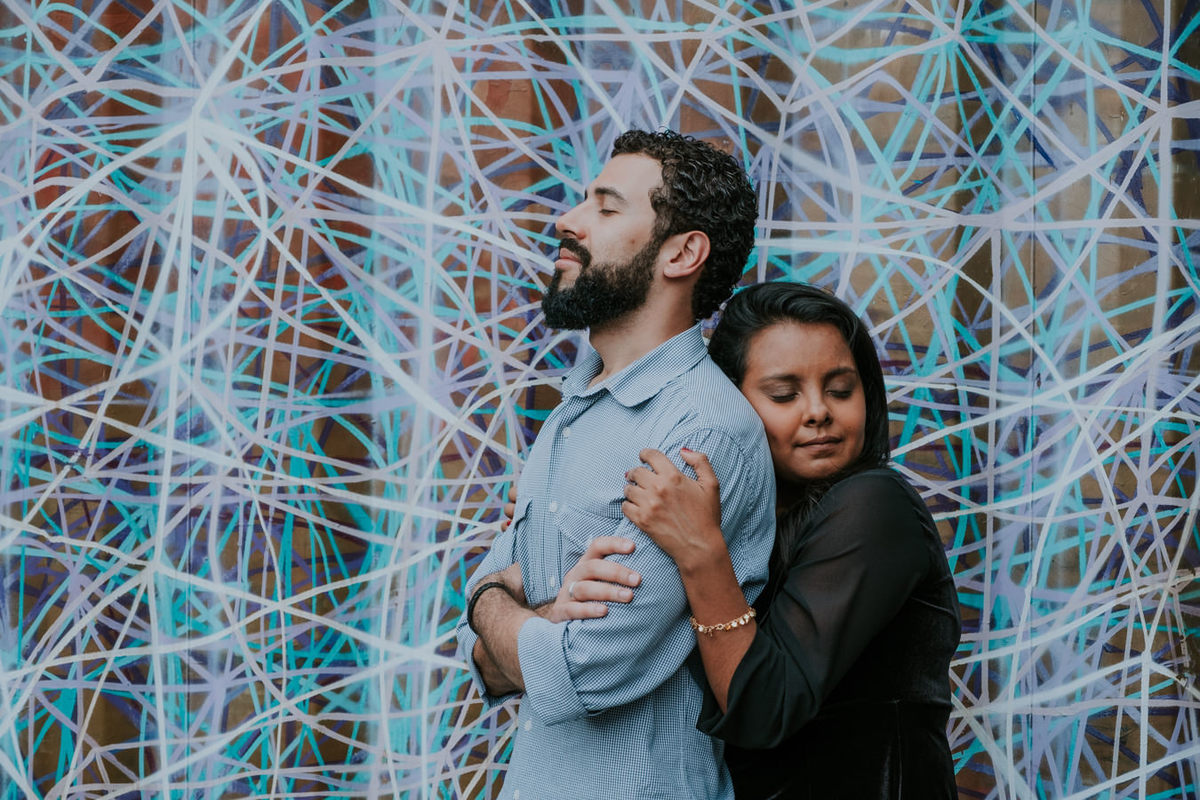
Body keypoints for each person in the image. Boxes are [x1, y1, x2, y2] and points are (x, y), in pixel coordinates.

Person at [454, 129, 776, 799]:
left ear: (682, 252)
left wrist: (497, 604)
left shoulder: (698, 431)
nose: (566, 222)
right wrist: (516, 614)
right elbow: (486, 662)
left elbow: (580, 671)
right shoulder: (582, 400)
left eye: (604, 207)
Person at [559, 282, 962, 798]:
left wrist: (701, 552)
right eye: (784, 394)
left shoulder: (874, 506)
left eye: (841, 389)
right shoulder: (750, 526)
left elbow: (763, 709)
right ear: (733, 403)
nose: (818, 411)